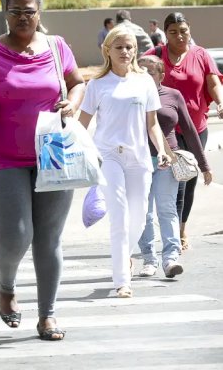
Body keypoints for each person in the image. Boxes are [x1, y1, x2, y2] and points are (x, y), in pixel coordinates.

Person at [0, 0, 85, 341]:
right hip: (5, 157)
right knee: (16, 234)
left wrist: (74, 102)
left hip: (53, 153)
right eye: (16, 11)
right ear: (5, 12)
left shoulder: (56, 46)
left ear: (39, 12)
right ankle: (6, 286)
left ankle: (47, 315)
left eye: (29, 11)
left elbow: (77, 83)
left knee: (48, 238)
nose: (22, 17)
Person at [78, 26, 171, 299]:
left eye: (129, 47)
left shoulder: (144, 83)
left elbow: (152, 124)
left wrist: (162, 150)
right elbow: (82, 125)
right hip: (108, 156)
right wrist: (81, 154)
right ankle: (122, 280)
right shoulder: (96, 85)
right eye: (119, 47)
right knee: (118, 217)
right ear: (108, 50)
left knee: (139, 218)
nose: (125, 52)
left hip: (139, 157)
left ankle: (125, 257)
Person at [145, 12, 223, 250]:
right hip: (164, 130)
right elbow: (134, 74)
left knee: (188, 181)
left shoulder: (200, 54)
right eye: (173, 32)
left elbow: (213, 81)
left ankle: (181, 228)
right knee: (171, 182)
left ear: (190, 30)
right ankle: (167, 231)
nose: (180, 36)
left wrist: (220, 102)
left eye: (184, 31)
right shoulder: (155, 55)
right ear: (165, 34)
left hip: (195, 128)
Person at [136, 55, 211, 279]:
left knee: (167, 208)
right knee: (144, 213)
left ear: (161, 75)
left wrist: (204, 164)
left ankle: (170, 259)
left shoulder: (172, 95)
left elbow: (189, 129)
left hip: (166, 160)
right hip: (138, 162)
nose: (145, 75)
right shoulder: (130, 96)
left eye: (150, 71)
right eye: (141, 71)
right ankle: (149, 259)